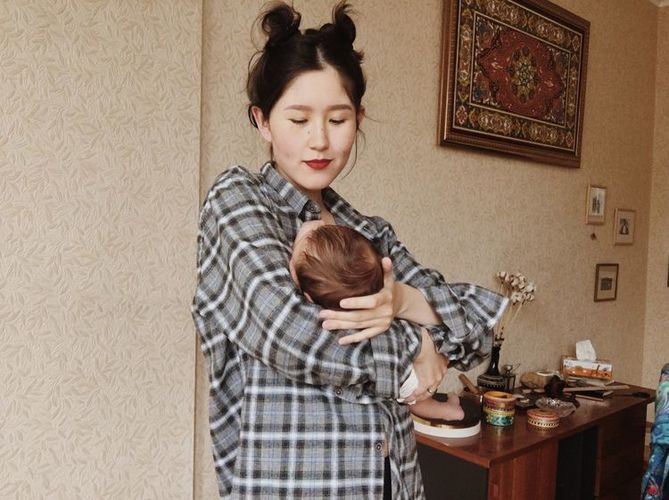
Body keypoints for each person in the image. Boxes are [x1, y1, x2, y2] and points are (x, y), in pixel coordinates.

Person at [191, 2, 507, 498]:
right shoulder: (238, 201)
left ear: (357, 119)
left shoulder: (370, 232)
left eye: (337, 119)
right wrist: (417, 348)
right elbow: (291, 334)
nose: (319, 140)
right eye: (298, 119)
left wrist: (401, 299)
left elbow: (477, 335)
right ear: (263, 121)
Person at [289, 220, 466, 422]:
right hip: (409, 373)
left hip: (395, 379)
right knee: (417, 395)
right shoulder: (383, 315)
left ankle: (445, 410)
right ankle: (447, 411)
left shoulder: (327, 325)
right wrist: (423, 342)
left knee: (413, 392)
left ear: (308, 298)